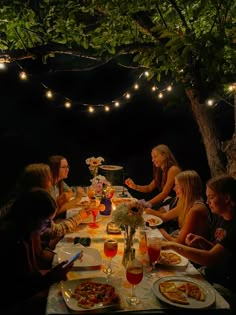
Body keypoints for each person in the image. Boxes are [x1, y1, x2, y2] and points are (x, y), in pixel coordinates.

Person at [160, 174, 236, 312]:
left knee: (171, 301)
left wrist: (172, 245)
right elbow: (222, 252)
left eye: (212, 197)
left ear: (227, 198)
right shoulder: (221, 218)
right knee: (165, 279)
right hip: (209, 273)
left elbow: (211, 258)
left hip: (225, 286)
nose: (207, 202)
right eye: (207, 197)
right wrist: (203, 241)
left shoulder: (234, 227)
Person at [1, 163, 91, 268]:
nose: (52, 181)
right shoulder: (32, 207)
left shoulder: (29, 199)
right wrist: (79, 216)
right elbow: (54, 231)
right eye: (49, 178)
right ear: (40, 181)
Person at [0, 189, 74, 314]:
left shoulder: (29, 232)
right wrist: (51, 277)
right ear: (31, 218)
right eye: (46, 221)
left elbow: (30, 275)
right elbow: (19, 290)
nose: (50, 226)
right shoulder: (11, 242)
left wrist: (52, 273)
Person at [145, 170, 210, 243]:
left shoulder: (195, 210)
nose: (174, 188)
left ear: (187, 188)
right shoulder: (185, 203)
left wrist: (161, 231)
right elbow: (164, 217)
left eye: (177, 185)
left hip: (189, 250)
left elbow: (179, 242)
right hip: (178, 241)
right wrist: (145, 210)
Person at [125, 144, 181, 209]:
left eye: (155, 156)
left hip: (177, 202)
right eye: (152, 157)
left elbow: (164, 193)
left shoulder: (173, 169)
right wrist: (134, 186)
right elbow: (149, 188)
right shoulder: (160, 170)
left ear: (164, 155)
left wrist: (146, 204)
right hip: (167, 200)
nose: (152, 160)